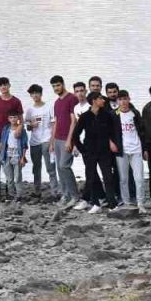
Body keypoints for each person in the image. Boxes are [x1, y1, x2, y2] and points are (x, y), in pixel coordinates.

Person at [70, 91, 121, 214]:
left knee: (108, 177)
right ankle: (95, 203)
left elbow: (112, 132)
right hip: (90, 152)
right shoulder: (85, 116)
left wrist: (112, 143)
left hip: (104, 152)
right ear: (93, 101)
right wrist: (83, 150)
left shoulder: (107, 115)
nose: (103, 100)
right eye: (100, 99)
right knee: (91, 178)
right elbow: (75, 135)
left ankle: (112, 205)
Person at [0, 78, 23, 196]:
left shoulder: (16, 101)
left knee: (11, 163)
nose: (3, 87)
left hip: (11, 137)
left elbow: (21, 120)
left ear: (9, 85)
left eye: (5, 85)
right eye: (0, 85)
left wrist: (19, 129)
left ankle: (10, 190)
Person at [50, 76, 79, 205]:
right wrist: (52, 142)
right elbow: (56, 122)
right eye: (54, 86)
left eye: (58, 85)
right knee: (59, 168)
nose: (56, 88)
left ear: (63, 84)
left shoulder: (72, 99)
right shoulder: (56, 102)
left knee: (64, 166)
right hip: (57, 139)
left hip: (67, 138)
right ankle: (65, 195)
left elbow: (74, 120)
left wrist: (70, 140)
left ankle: (75, 196)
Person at [116, 90, 146, 212]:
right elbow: (110, 132)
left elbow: (142, 132)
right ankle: (126, 201)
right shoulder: (114, 114)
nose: (123, 102)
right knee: (123, 178)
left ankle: (140, 203)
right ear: (117, 101)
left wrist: (145, 149)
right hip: (122, 151)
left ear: (129, 99)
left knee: (139, 178)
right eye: (121, 99)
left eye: (125, 99)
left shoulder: (135, 113)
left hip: (136, 149)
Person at [24, 84, 55, 198]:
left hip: (46, 139)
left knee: (50, 166)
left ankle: (54, 191)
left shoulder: (49, 107)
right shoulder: (29, 110)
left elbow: (53, 124)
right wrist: (31, 125)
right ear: (31, 95)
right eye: (32, 93)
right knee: (36, 167)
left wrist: (52, 140)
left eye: (37, 93)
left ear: (41, 94)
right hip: (34, 142)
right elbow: (27, 127)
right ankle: (37, 191)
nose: (35, 95)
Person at [0, 109, 28, 202]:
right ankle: (11, 194)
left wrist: (23, 157)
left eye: (15, 117)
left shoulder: (21, 130)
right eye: (11, 117)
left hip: (17, 155)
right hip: (7, 155)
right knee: (9, 177)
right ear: (8, 119)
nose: (13, 119)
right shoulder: (6, 128)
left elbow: (24, 145)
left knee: (17, 177)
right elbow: (2, 142)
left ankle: (19, 195)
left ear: (18, 118)